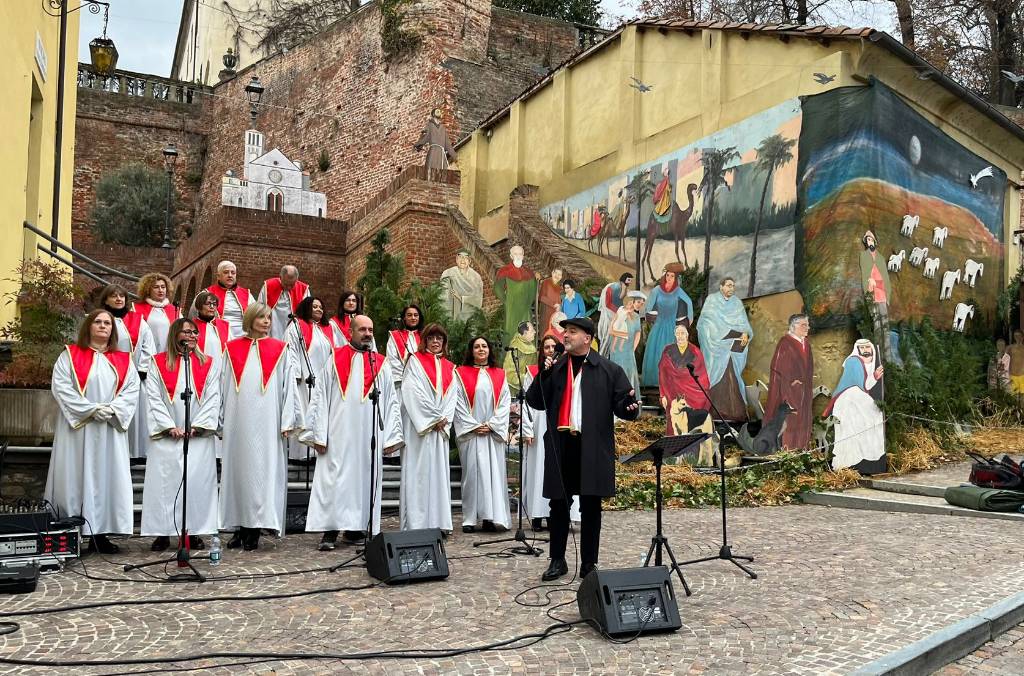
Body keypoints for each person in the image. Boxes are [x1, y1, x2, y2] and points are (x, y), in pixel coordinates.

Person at [525, 317, 640, 581]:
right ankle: (557, 560)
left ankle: (589, 563)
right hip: (561, 444)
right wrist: (542, 373)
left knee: (591, 505)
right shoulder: (556, 367)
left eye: (572, 332)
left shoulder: (608, 370)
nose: (565, 335)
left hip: (592, 446)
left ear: (587, 338)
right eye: (565, 331)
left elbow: (624, 405)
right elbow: (535, 401)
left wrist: (630, 408)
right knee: (558, 504)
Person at [301, 315, 403, 550]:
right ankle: (330, 530)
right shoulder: (335, 358)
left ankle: (357, 528)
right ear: (350, 332)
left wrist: (390, 437)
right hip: (338, 433)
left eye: (370, 329)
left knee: (363, 480)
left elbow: (390, 402)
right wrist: (319, 433)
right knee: (335, 480)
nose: (367, 333)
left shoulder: (380, 363)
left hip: (368, 435)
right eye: (362, 329)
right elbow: (320, 397)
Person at [45, 310, 139, 554]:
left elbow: (131, 390)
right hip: (79, 430)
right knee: (75, 475)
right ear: (88, 326)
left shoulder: (124, 360)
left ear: (113, 330)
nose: (103, 326)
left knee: (107, 477)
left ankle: (101, 534)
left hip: (109, 429)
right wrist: (89, 410)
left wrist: (112, 410)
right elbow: (61, 387)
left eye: (107, 323)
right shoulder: (69, 356)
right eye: (97, 322)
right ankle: (70, 532)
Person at [219, 302, 301, 551]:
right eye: (262, 317)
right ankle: (239, 525)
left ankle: (255, 526)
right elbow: (222, 385)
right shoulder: (232, 348)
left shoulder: (280, 349)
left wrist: (288, 420)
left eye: (268, 317)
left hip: (267, 420)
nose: (266, 321)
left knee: (261, 470)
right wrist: (220, 419)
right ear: (250, 319)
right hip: (238, 419)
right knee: (238, 471)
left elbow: (289, 388)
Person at [141, 318, 221, 552]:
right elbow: (153, 396)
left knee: (196, 484)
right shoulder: (158, 362)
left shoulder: (209, 364)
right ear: (175, 334)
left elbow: (213, 397)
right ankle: (163, 532)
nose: (192, 335)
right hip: (169, 435)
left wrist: (198, 425)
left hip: (197, 435)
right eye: (187, 331)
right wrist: (168, 426)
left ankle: (193, 531)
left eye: (195, 332)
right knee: (164, 484)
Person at [399, 323, 458, 533]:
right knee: (419, 474)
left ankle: (439, 522)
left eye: (439, 338)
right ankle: (417, 523)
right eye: (432, 338)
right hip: (420, 430)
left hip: (439, 429)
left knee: (439, 476)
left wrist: (444, 419)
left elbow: (453, 397)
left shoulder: (450, 366)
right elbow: (411, 390)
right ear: (424, 340)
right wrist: (433, 418)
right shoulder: (415, 361)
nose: (435, 342)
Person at [520, 336, 580, 532]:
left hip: (557, 425)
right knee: (538, 472)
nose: (550, 349)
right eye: (546, 347)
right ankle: (538, 514)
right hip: (538, 426)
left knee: (559, 472)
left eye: (553, 346)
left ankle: (559, 516)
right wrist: (527, 428)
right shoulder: (535, 372)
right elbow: (528, 402)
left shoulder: (567, 372)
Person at [454, 337, 511, 533]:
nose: (481, 349)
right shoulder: (460, 374)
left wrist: (493, 425)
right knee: (472, 475)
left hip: (491, 434)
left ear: (489, 350)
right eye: (476, 346)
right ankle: (469, 519)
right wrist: (473, 425)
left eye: (484, 346)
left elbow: (504, 403)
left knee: (493, 475)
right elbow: (458, 403)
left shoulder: (500, 375)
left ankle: (490, 517)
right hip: (472, 433)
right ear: (471, 350)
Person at [99, 284, 155, 460]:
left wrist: (142, 368)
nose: (118, 299)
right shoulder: (101, 320)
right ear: (106, 299)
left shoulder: (138, 320)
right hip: (109, 377)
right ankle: (114, 455)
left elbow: (148, 344)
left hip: (136, 376)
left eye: (121, 296)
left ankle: (135, 453)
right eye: (114, 296)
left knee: (136, 416)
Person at [824, 339, 886, 474]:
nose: (865, 350)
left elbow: (864, 385)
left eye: (867, 347)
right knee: (857, 426)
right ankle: (850, 463)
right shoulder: (854, 361)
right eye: (862, 347)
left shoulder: (864, 363)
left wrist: (874, 377)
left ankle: (864, 460)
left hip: (856, 397)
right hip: (849, 399)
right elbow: (859, 385)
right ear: (858, 349)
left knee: (867, 422)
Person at [285, 296, 335, 460]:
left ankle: (316, 449)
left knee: (319, 412)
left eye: (321, 307)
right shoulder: (297, 326)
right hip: (303, 379)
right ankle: (300, 454)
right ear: (306, 308)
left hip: (322, 378)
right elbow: (291, 350)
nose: (319, 309)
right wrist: (296, 374)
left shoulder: (326, 329)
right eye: (315, 307)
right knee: (305, 413)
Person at [696, 277, 753, 422]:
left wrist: (745, 333)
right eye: (728, 285)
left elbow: (744, 325)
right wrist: (720, 335)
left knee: (732, 375)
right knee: (717, 377)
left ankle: (735, 414)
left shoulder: (737, 303)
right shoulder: (712, 300)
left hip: (732, 349)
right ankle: (713, 412)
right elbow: (704, 322)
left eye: (733, 286)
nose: (731, 289)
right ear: (721, 287)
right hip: (716, 347)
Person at [658, 322, 715, 463]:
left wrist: (702, 392)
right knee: (674, 422)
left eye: (683, 333)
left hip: (692, 393)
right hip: (673, 392)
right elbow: (663, 374)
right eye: (678, 333)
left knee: (694, 421)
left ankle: (694, 453)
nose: (680, 336)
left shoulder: (695, 352)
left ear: (688, 335)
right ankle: (674, 455)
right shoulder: (667, 351)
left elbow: (702, 375)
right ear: (675, 335)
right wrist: (663, 394)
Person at [764, 314, 814, 450]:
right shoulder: (785, 343)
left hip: (804, 390)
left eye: (807, 325)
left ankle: (801, 449)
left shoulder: (806, 344)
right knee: (790, 419)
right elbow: (780, 368)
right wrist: (791, 384)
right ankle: (788, 451)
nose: (807, 328)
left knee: (803, 419)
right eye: (803, 325)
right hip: (789, 391)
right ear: (794, 326)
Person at [641, 265, 693, 387]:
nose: (669, 278)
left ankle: (671, 384)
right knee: (656, 353)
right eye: (668, 275)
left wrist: (688, 321)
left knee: (672, 354)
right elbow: (648, 307)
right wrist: (650, 315)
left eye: (672, 276)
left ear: (676, 278)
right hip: (658, 326)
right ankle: (654, 383)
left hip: (672, 327)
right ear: (665, 276)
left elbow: (689, 303)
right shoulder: (656, 290)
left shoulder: (678, 291)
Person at [859, 231, 893, 362]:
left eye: (871, 240)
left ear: (874, 241)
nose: (869, 242)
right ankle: (879, 357)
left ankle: (888, 357)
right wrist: (869, 283)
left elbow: (885, 277)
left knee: (885, 325)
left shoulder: (880, 257)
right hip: (872, 293)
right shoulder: (863, 256)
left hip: (882, 294)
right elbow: (865, 274)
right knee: (877, 325)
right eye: (867, 240)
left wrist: (880, 285)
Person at [494, 245, 538, 345]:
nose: (518, 256)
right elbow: (497, 288)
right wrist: (506, 301)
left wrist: (528, 303)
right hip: (511, 308)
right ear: (511, 256)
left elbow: (533, 290)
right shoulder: (504, 271)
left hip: (526, 309)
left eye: (520, 254)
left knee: (528, 331)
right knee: (511, 331)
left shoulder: (529, 273)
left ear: (523, 256)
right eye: (515, 254)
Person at [606, 290, 645, 394]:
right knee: (618, 370)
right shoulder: (620, 312)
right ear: (632, 301)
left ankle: (630, 397)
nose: (640, 305)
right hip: (616, 350)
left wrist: (633, 348)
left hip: (629, 350)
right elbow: (612, 329)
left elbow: (638, 333)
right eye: (638, 302)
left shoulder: (636, 317)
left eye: (642, 304)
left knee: (630, 372)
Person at [257, 265, 310, 340]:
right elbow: (259, 308)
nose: (288, 287)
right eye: (286, 284)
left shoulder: (303, 290)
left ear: (297, 280)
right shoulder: (268, 286)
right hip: (272, 327)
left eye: (292, 285)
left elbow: (307, 313)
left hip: (293, 329)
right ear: (280, 277)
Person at [134, 273, 180, 353]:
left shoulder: (175, 310)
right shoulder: (136, 309)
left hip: (170, 357)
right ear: (148, 290)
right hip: (146, 357)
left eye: (163, 287)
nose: (160, 290)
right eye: (156, 287)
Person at [207, 260, 252, 339]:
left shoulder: (247, 294)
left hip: (243, 336)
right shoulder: (207, 293)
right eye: (226, 272)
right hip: (217, 335)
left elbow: (255, 315)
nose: (230, 275)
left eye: (233, 273)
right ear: (218, 276)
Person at [440, 251, 484, 321]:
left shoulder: (476, 277)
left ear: (469, 261)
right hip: (452, 311)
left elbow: (478, 299)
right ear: (456, 260)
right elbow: (442, 294)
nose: (462, 260)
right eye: (460, 257)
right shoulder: (448, 273)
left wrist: (461, 298)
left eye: (465, 258)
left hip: (469, 314)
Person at [386, 304, 423, 389]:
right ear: (404, 318)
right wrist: (406, 377)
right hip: (401, 382)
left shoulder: (425, 336)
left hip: (421, 383)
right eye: (409, 315)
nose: (413, 318)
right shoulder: (395, 336)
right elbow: (392, 359)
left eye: (416, 315)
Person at [190, 291, 230, 368]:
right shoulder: (191, 326)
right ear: (199, 306)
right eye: (208, 304)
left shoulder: (225, 326)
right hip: (198, 368)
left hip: (221, 369)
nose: (212, 307)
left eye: (214, 304)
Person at [597, 273, 633, 353]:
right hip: (610, 311)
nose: (630, 282)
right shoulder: (616, 287)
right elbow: (610, 302)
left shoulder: (623, 287)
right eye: (629, 280)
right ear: (624, 279)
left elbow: (620, 299)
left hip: (616, 310)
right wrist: (619, 312)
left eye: (631, 280)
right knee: (609, 335)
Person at [502, 320, 537, 396]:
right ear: (525, 333)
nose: (535, 332)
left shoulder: (530, 345)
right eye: (532, 330)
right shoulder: (515, 348)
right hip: (515, 392)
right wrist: (527, 380)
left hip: (530, 389)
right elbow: (509, 373)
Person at [538, 268, 564, 337]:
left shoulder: (558, 286)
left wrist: (559, 306)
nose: (557, 276)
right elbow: (542, 297)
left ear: (561, 277)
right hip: (546, 310)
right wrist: (553, 304)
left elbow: (558, 299)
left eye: (559, 275)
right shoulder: (546, 282)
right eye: (556, 273)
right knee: (545, 331)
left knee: (553, 333)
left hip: (555, 313)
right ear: (552, 273)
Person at [1008, 330, 1024, 395]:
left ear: (1022, 337)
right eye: (1015, 336)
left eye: (1019, 335)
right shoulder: (1010, 347)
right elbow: (1003, 358)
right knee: (1014, 398)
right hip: (1012, 376)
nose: (1017, 337)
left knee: (1023, 397)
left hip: (1023, 376)